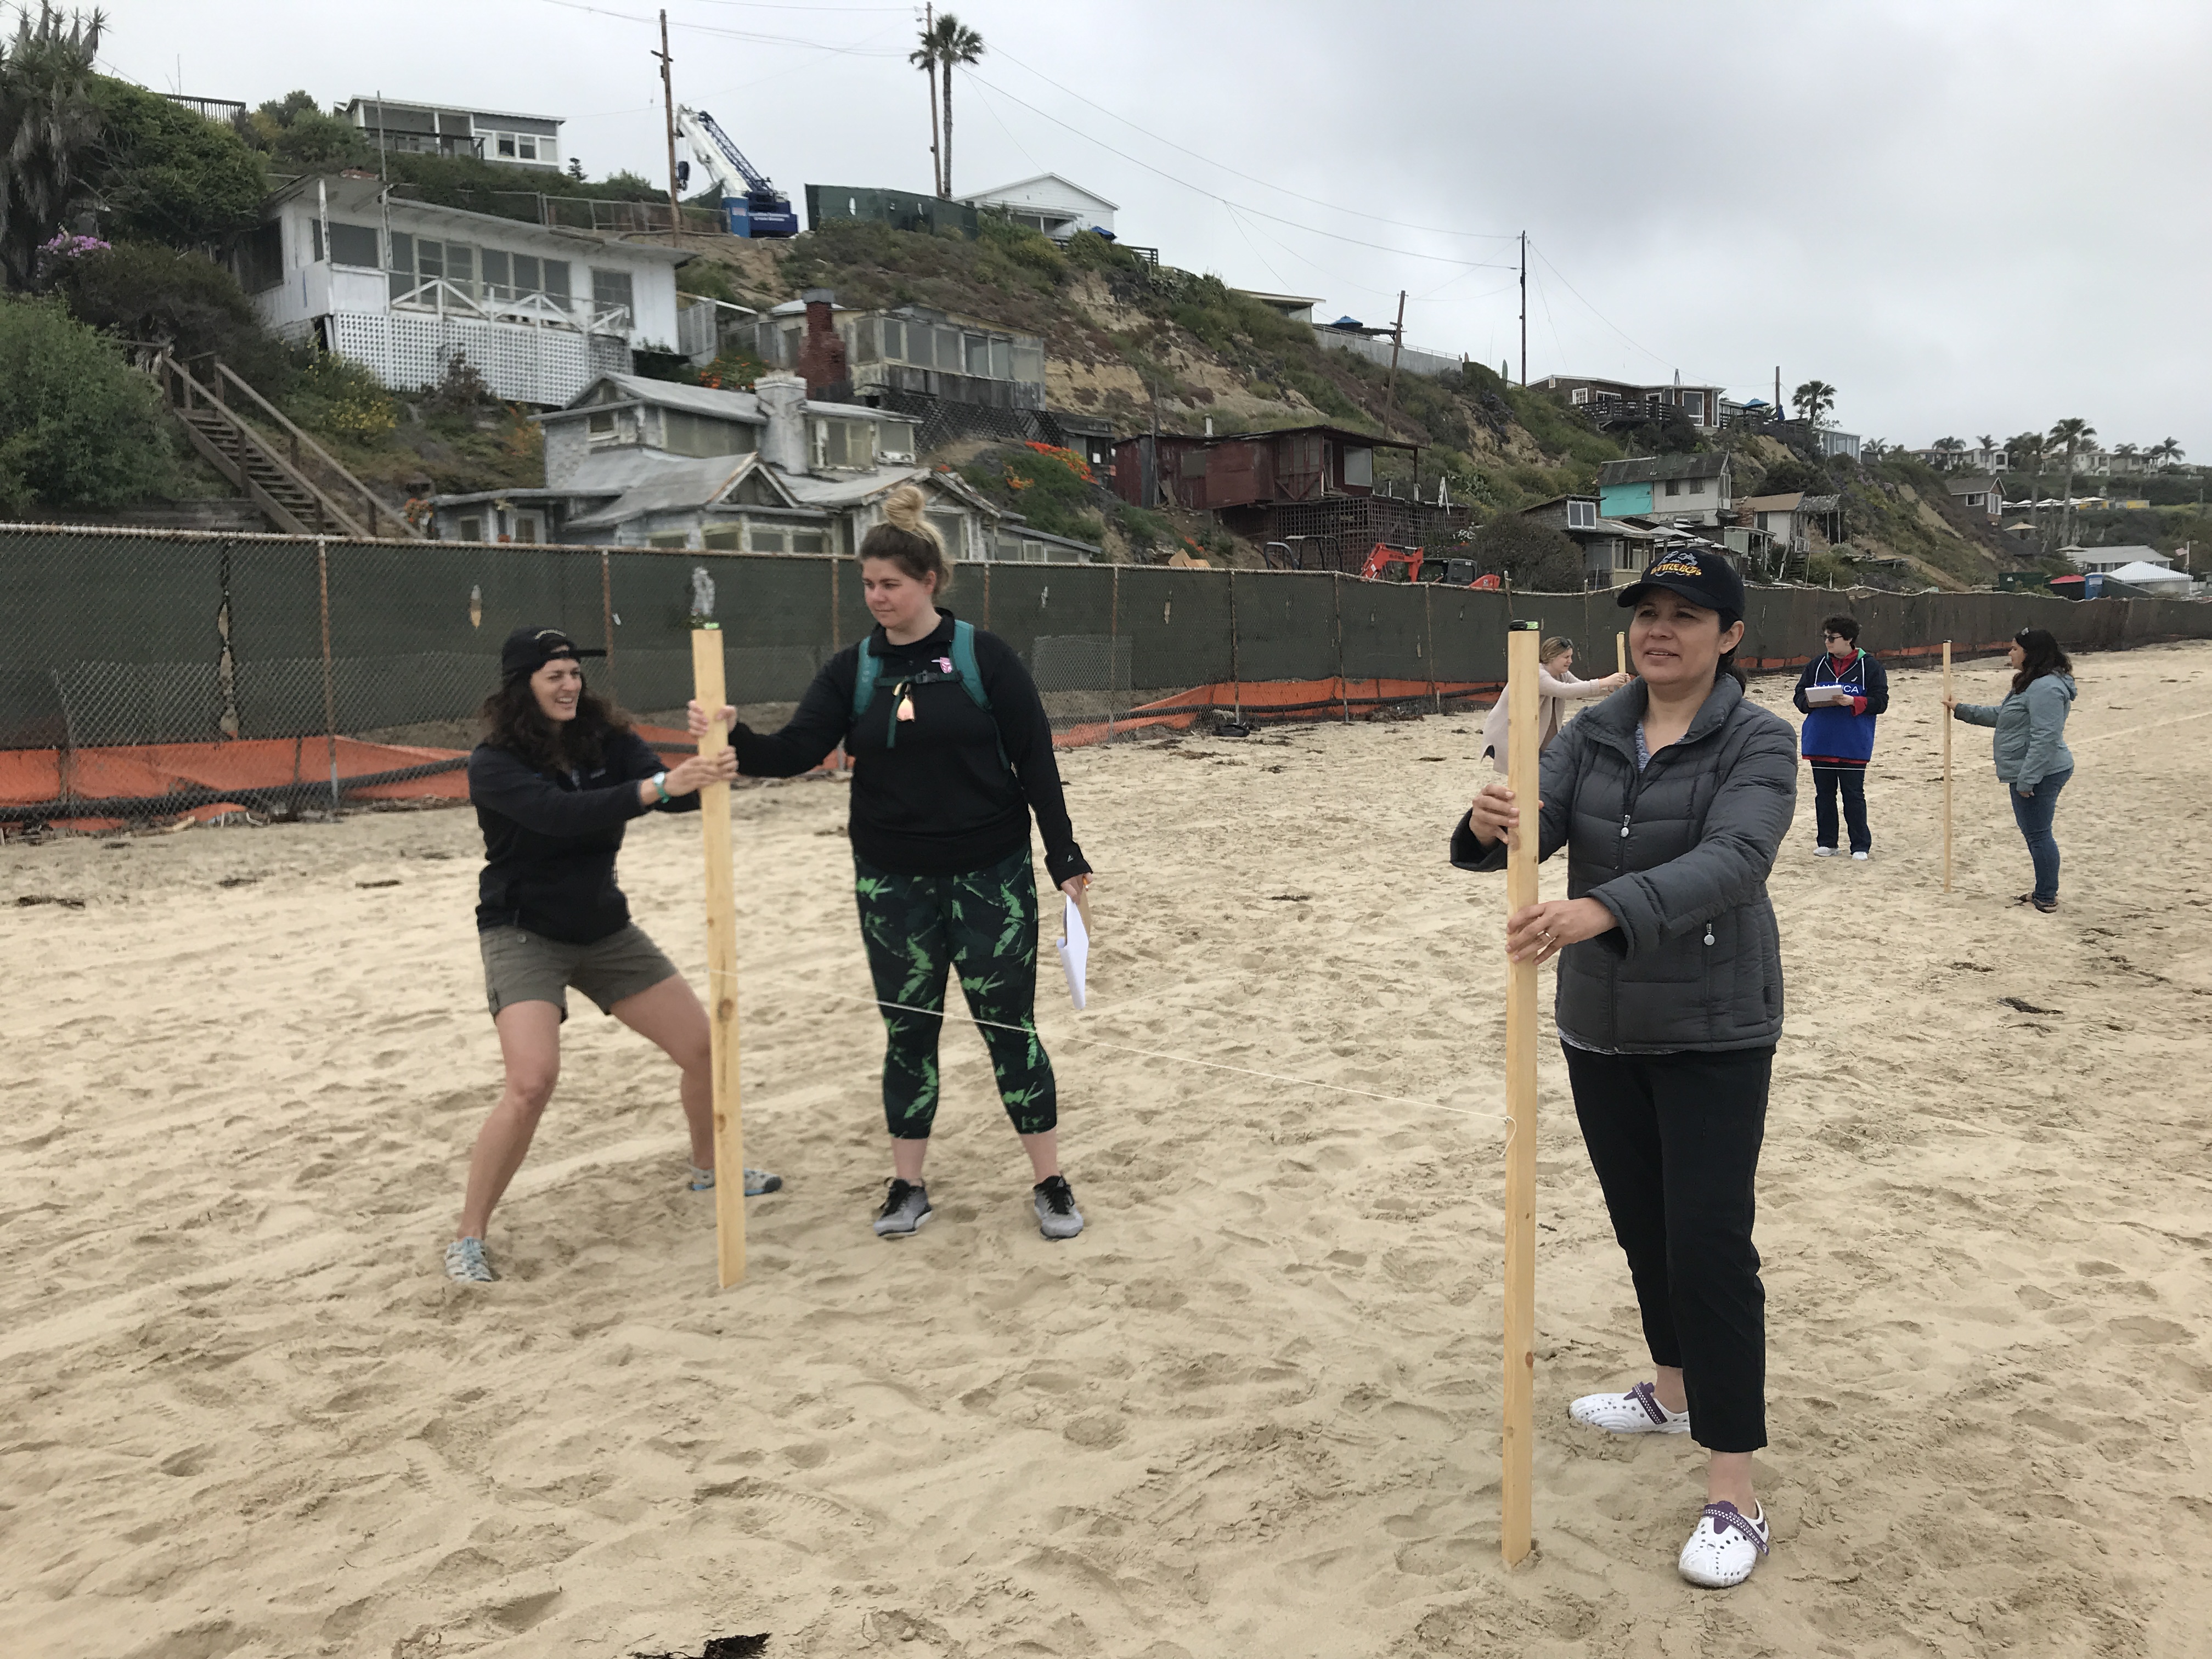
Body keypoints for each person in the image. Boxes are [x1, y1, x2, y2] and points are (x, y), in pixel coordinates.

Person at [1452, 548, 1797, 1589]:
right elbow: (1536, 832)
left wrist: (1603, 907)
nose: (1661, 629)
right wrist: (1487, 826)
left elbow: (1737, 859)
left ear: (1728, 635)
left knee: (1707, 1239)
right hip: (1599, 1022)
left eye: (1687, 614)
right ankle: (1670, 1385)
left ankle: (1731, 1486)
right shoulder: (1593, 732)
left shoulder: (1758, 740)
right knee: (1641, 1222)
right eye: (1648, 611)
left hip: (1714, 1027)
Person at [690, 484, 1093, 1242]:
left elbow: (1036, 758)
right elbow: (796, 752)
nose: (877, 598)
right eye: (869, 585)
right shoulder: (853, 672)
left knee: (1009, 1028)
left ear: (929, 582)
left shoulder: (983, 658)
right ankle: (907, 1186)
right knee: (908, 1033)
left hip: (990, 874)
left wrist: (1063, 855)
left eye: (891, 585)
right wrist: (734, 735)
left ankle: (1051, 1181)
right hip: (891, 882)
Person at [448, 627, 779, 1285]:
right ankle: (469, 1237)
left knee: (704, 1048)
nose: (570, 686)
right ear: (524, 688)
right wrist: (661, 785)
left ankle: (709, 1169)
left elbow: (675, 797)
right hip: (523, 932)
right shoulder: (494, 762)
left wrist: (711, 749)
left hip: (605, 928)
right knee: (531, 1082)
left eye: (575, 673)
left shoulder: (607, 737)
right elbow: (562, 814)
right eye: (555, 676)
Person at [1944, 627, 2077, 913]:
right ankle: (2044, 890)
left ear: (2032, 653)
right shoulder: (2032, 683)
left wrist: (2028, 779)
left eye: (2015, 648)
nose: (2010, 653)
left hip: (2041, 772)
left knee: (2039, 835)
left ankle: (2046, 895)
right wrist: (1962, 710)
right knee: (2036, 834)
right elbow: (2005, 717)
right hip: (2031, 769)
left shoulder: (2046, 689)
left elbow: (2046, 737)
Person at [1790, 614, 1890, 860]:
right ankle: (1827, 842)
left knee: (1853, 795)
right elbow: (1799, 697)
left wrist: (1853, 701)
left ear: (1849, 639)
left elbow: (1881, 701)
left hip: (1853, 743)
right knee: (1824, 795)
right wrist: (1813, 701)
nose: (1827, 642)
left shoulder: (1871, 667)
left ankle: (1860, 846)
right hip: (1821, 740)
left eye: (1832, 638)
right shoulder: (1816, 665)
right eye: (1825, 637)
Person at [1482, 635, 1630, 774]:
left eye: (1570, 656)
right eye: (1566, 657)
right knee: (1529, 779)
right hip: (1507, 735)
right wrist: (1605, 681)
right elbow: (1566, 691)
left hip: (1529, 737)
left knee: (1542, 776)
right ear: (1551, 657)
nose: (1570, 661)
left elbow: (1581, 688)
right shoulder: (1536, 673)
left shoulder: (1561, 674)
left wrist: (1612, 688)